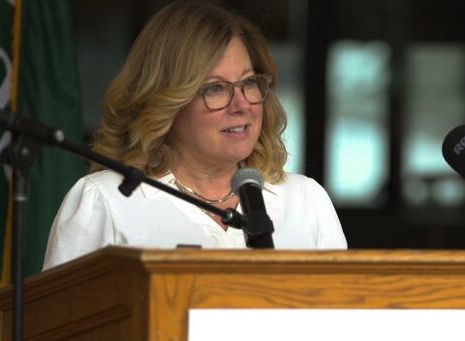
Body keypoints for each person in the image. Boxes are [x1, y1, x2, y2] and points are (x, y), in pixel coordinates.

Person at [43, 0, 346, 270]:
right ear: (166, 102)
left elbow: (344, 325)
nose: (241, 105)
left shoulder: (306, 201)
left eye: (249, 83)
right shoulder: (105, 201)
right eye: (215, 88)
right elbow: (59, 328)